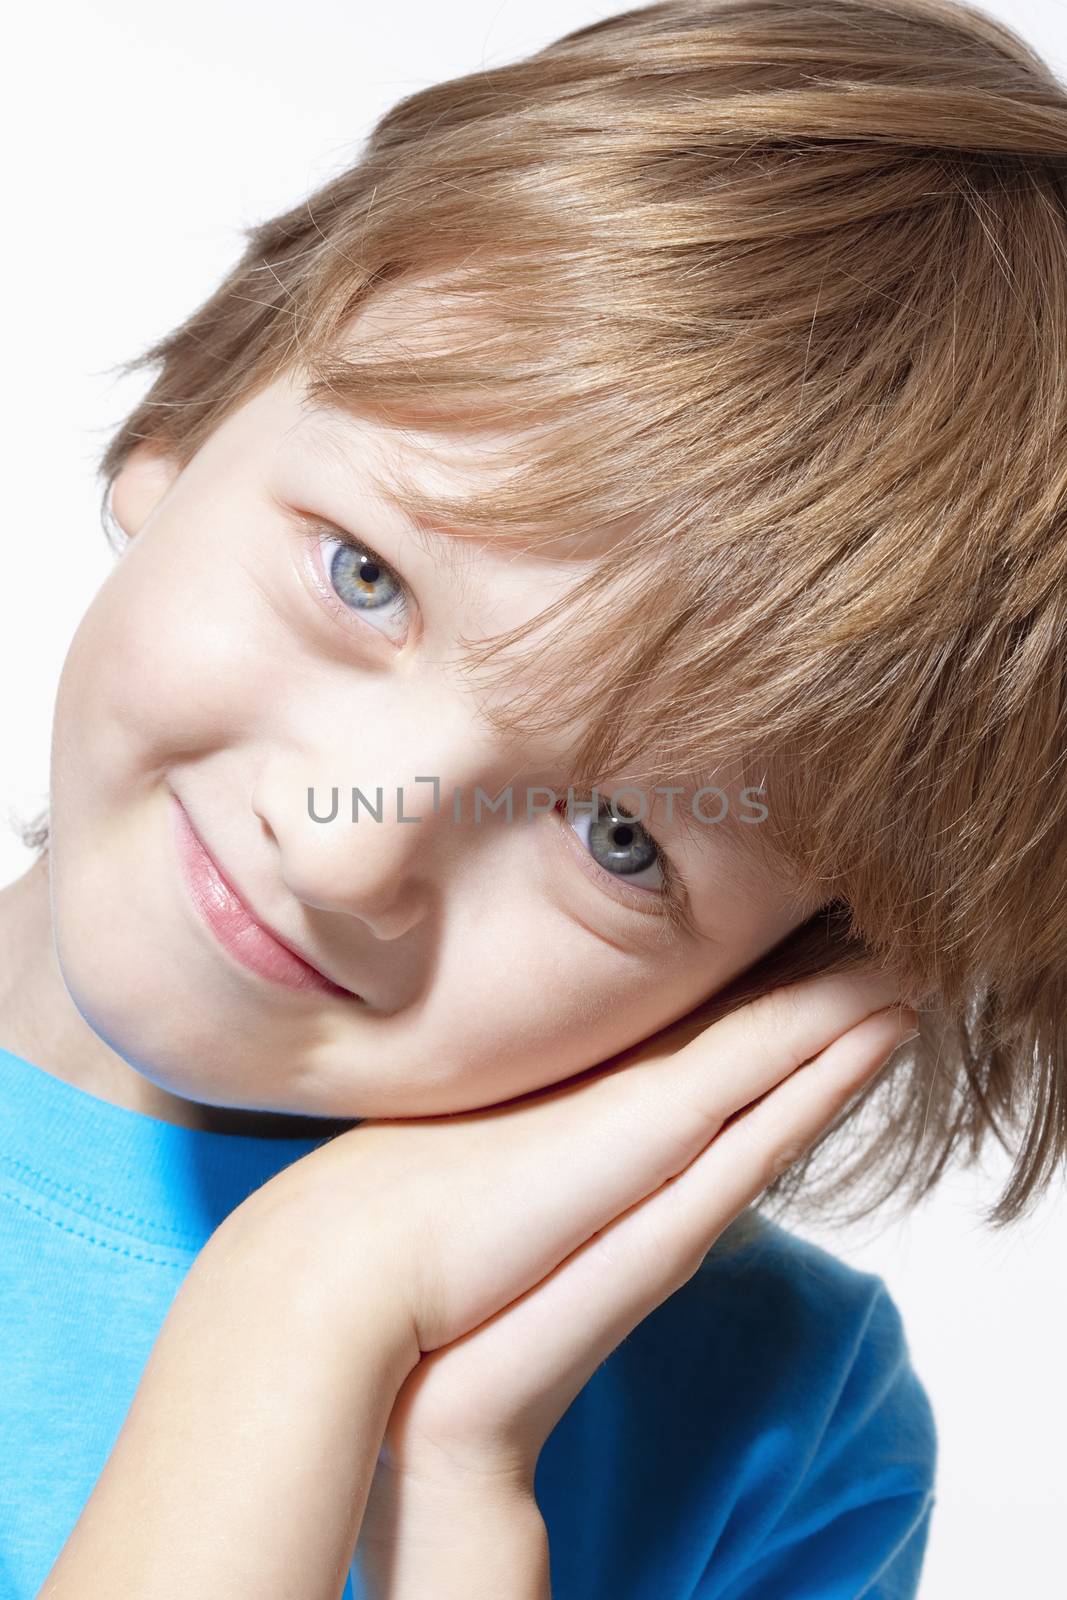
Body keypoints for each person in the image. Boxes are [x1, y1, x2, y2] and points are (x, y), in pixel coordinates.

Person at [3, 0, 1065, 1592]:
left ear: (784, 982)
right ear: (188, 420)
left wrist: (438, 1480)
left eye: (620, 837)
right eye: (366, 576)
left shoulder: (775, 1433)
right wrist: (286, 1327)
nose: (352, 845)